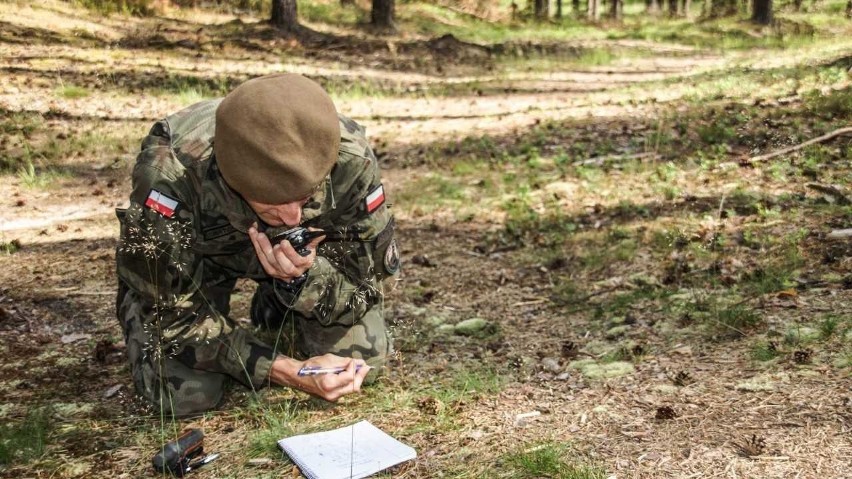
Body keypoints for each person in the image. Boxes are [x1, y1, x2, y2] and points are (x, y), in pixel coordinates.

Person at [115, 73, 399, 417]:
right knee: (186, 396)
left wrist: (304, 280)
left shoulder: (347, 156)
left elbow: (368, 284)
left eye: (306, 197)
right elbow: (171, 317)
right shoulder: (171, 174)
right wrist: (284, 370)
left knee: (359, 361)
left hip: (303, 261)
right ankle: (135, 309)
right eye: (272, 206)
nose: (294, 218)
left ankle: (278, 300)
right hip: (201, 264)